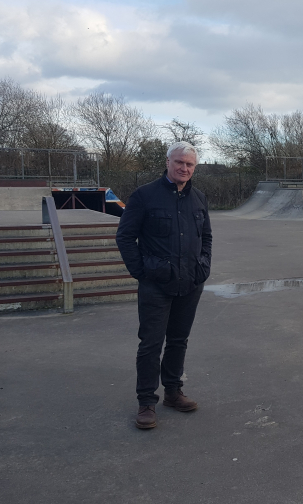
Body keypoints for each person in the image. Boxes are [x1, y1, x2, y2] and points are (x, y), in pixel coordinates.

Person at [116, 142, 212, 429]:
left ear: (195, 168)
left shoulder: (199, 198)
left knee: (179, 340)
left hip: (190, 281)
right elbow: (125, 237)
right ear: (168, 162)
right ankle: (146, 402)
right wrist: (142, 273)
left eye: (190, 164)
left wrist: (203, 267)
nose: (184, 168)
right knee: (151, 344)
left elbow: (206, 237)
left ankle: (173, 392)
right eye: (179, 162)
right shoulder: (145, 195)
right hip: (156, 283)